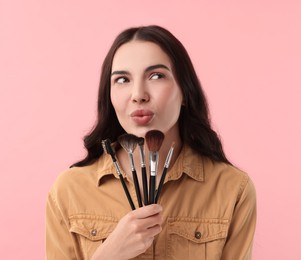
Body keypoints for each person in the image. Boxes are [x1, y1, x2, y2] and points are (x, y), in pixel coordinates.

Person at [46, 25, 257, 259]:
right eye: (122, 79)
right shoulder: (69, 190)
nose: (138, 94)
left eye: (156, 76)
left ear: (185, 91)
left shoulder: (231, 188)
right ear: (110, 95)